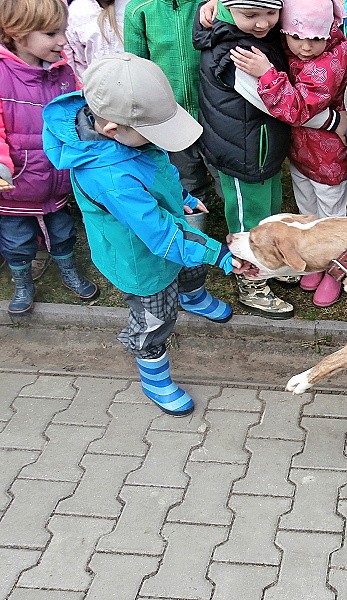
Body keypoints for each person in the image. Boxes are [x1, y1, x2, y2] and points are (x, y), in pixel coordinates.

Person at [43, 53, 239, 416]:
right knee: (156, 316)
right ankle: (154, 375)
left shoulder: (133, 139)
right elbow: (161, 235)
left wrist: (181, 196)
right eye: (154, 133)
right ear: (112, 130)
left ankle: (193, 297)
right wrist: (222, 255)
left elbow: (156, 174)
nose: (159, 141)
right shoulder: (111, 178)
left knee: (188, 265)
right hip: (141, 258)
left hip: (165, 229)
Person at [230, 0, 347, 307]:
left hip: (329, 158)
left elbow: (297, 109)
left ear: (329, 30)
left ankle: (335, 269)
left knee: (331, 221)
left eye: (315, 37)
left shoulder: (330, 62)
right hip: (301, 153)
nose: (306, 46)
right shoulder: (293, 48)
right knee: (306, 214)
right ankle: (311, 262)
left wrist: (266, 74)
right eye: (296, 36)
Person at [193, 0, 296, 318]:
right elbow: (271, 103)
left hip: (260, 145)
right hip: (242, 152)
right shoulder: (236, 51)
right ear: (228, 9)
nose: (263, 23)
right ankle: (250, 282)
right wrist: (270, 75)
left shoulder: (251, 35)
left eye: (271, 13)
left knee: (269, 210)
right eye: (251, 15)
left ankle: (270, 261)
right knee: (246, 219)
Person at [0, 0, 99, 317]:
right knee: (16, 240)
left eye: (63, 31)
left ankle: (69, 271)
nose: (62, 41)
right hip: (15, 186)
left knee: (62, 232)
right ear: (17, 33)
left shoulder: (65, 73)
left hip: (56, 180)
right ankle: (22, 282)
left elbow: (76, 116)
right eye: (51, 33)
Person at [125, 0, 221, 232]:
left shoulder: (211, 3)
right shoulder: (139, 9)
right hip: (172, 119)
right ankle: (195, 243)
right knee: (187, 183)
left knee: (227, 181)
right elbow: (135, 68)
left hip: (217, 115)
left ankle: (245, 244)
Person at [64, 0, 129, 80]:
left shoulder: (134, 7)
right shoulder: (75, 12)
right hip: (91, 87)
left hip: (132, 84)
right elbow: (71, 63)